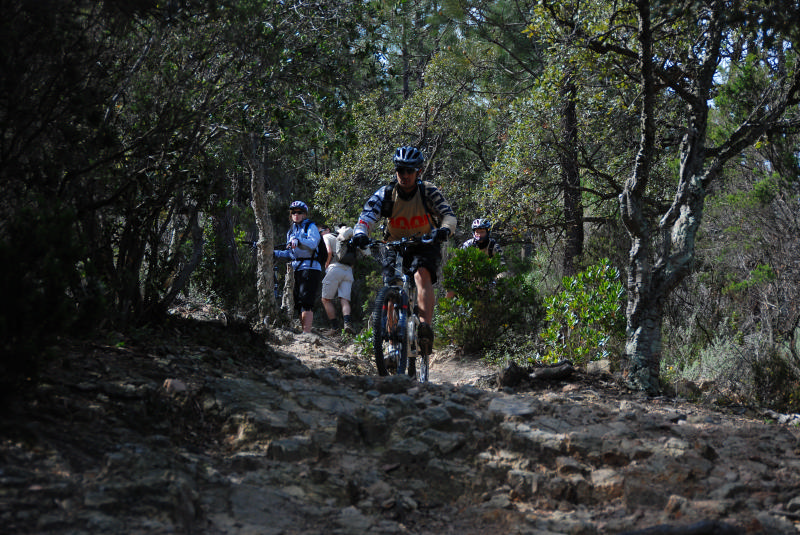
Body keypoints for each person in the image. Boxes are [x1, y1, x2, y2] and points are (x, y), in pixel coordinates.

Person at [351, 146, 457, 355]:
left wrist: (445, 230)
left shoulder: (428, 191)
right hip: (394, 244)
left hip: (424, 243)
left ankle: (424, 329)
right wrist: (360, 233)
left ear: (418, 172)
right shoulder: (386, 193)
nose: (405, 175)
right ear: (396, 171)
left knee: (421, 274)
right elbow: (366, 217)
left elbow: (448, 214)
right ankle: (392, 345)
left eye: (410, 171)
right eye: (401, 170)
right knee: (391, 288)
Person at [274, 200, 324, 333]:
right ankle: (304, 331)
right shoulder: (291, 231)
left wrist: (299, 241)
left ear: (304, 214)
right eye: (293, 212)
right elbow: (289, 253)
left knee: (306, 300)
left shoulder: (310, 227)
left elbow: (313, 243)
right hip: (296, 268)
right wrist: (274, 253)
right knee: (298, 301)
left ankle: (306, 333)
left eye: (299, 212)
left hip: (310, 267)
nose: (296, 215)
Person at [445, 218, 505, 299]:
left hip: (487, 281)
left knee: (499, 293)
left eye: (482, 232)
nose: (479, 235)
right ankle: (447, 305)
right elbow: (456, 263)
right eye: (477, 232)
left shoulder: (493, 247)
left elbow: (502, 268)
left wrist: (496, 281)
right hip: (469, 279)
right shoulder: (467, 245)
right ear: (474, 232)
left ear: (487, 232)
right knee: (450, 287)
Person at [321, 224, 357, 335]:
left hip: (335, 268)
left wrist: (327, 264)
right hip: (348, 270)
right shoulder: (346, 239)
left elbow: (329, 251)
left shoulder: (327, 236)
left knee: (325, 299)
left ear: (327, 230)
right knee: (344, 299)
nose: (320, 234)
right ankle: (347, 324)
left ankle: (335, 328)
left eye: (321, 231)